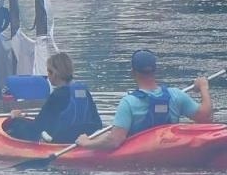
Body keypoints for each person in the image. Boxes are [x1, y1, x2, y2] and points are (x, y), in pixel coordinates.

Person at [75, 49, 212, 151]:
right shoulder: (176, 95)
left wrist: (87, 143)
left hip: (141, 156)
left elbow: (114, 141)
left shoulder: (128, 102)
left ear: (132, 72)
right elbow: (205, 117)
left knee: (104, 135)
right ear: (156, 70)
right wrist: (203, 87)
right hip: (170, 149)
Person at [4, 52, 102, 143]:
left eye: (48, 71)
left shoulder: (57, 95)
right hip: (85, 138)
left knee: (15, 126)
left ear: (54, 73)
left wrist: (16, 119)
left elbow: (36, 129)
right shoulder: (83, 91)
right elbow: (97, 124)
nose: (48, 76)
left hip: (62, 142)